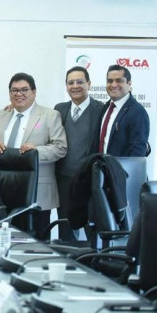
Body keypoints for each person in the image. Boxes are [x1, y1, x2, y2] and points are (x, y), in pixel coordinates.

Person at [0, 72, 67, 239]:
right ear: (9, 94)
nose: (19, 94)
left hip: (37, 191)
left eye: (24, 90)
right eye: (14, 90)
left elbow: (60, 148)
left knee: (37, 243)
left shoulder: (49, 115)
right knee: (0, 239)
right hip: (2, 189)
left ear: (34, 92)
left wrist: (36, 151)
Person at [54, 66, 103, 241]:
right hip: (64, 178)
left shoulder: (101, 110)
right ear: (66, 86)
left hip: (89, 178)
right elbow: (39, 124)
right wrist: (14, 109)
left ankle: (94, 264)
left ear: (89, 84)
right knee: (66, 227)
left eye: (80, 82)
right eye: (70, 82)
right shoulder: (59, 109)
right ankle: (67, 263)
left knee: (92, 227)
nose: (75, 86)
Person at [98, 64, 150, 157]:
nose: (113, 85)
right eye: (110, 81)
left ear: (129, 84)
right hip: (102, 169)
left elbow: (137, 153)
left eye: (119, 81)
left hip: (121, 171)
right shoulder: (106, 107)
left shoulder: (137, 112)